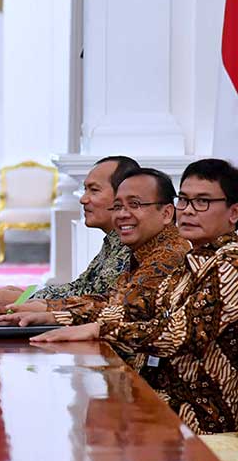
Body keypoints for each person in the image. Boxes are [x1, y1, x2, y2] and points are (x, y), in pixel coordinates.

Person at [30, 159, 238, 434]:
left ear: (233, 213)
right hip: (166, 400)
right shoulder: (194, 261)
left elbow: (178, 334)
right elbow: (133, 308)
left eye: (202, 202)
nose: (188, 211)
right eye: (184, 200)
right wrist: (57, 315)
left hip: (202, 418)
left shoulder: (229, 264)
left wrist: (97, 329)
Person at [0, 169, 190, 358]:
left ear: (166, 213)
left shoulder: (169, 253)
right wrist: (46, 307)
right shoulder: (141, 247)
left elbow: (126, 309)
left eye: (135, 204)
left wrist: (50, 311)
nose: (122, 214)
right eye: (118, 206)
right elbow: (106, 297)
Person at [0, 156, 139, 313]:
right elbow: (80, 288)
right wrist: (30, 296)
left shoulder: (132, 244)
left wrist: (26, 301)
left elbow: (100, 302)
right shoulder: (114, 239)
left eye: (94, 190)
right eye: (85, 190)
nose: (83, 199)